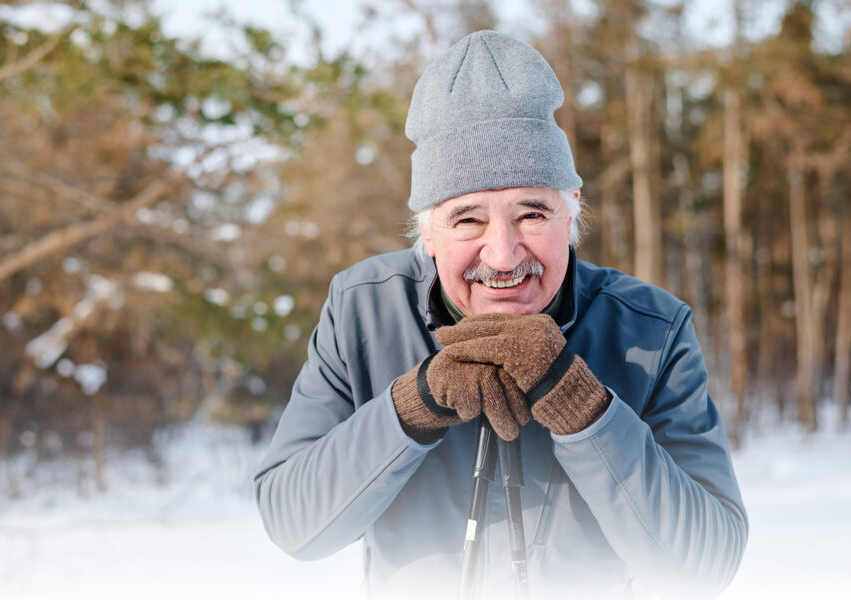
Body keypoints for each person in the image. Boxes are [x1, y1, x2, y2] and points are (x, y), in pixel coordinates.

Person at [253, 30, 748, 600]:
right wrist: (415, 404)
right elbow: (293, 525)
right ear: (428, 231)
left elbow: (708, 565)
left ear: (571, 213)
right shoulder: (364, 308)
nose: (504, 255)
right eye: (468, 219)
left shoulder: (651, 331)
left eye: (532, 213)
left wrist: (583, 408)